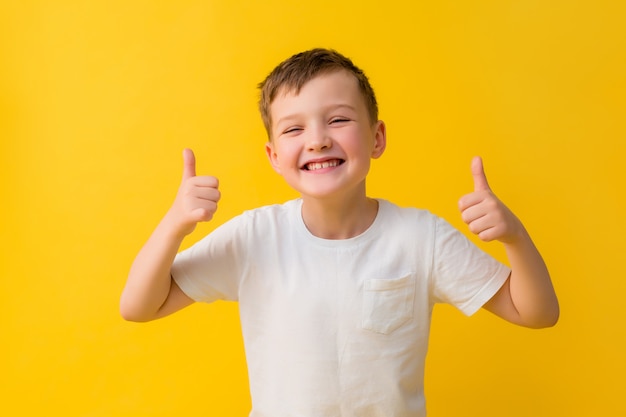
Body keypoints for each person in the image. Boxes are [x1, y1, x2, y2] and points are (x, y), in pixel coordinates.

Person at [120, 48, 559, 416]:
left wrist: (514, 237)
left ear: (377, 138)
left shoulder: (421, 237)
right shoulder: (254, 237)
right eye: (294, 128)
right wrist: (175, 223)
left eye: (338, 120)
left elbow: (536, 312)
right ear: (274, 156)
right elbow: (139, 305)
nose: (317, 140)